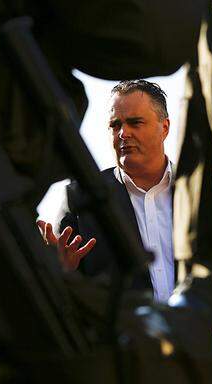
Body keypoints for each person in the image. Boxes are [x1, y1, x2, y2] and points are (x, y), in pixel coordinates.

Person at [37, 80, 176, 302]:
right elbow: (63, 287)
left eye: (135, 123)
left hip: (203, 331)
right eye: (115, 125)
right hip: (126, 333)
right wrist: (61, 269)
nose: (123, 133)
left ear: (165, 128)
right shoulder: (80, 198)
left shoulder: (197, 191)